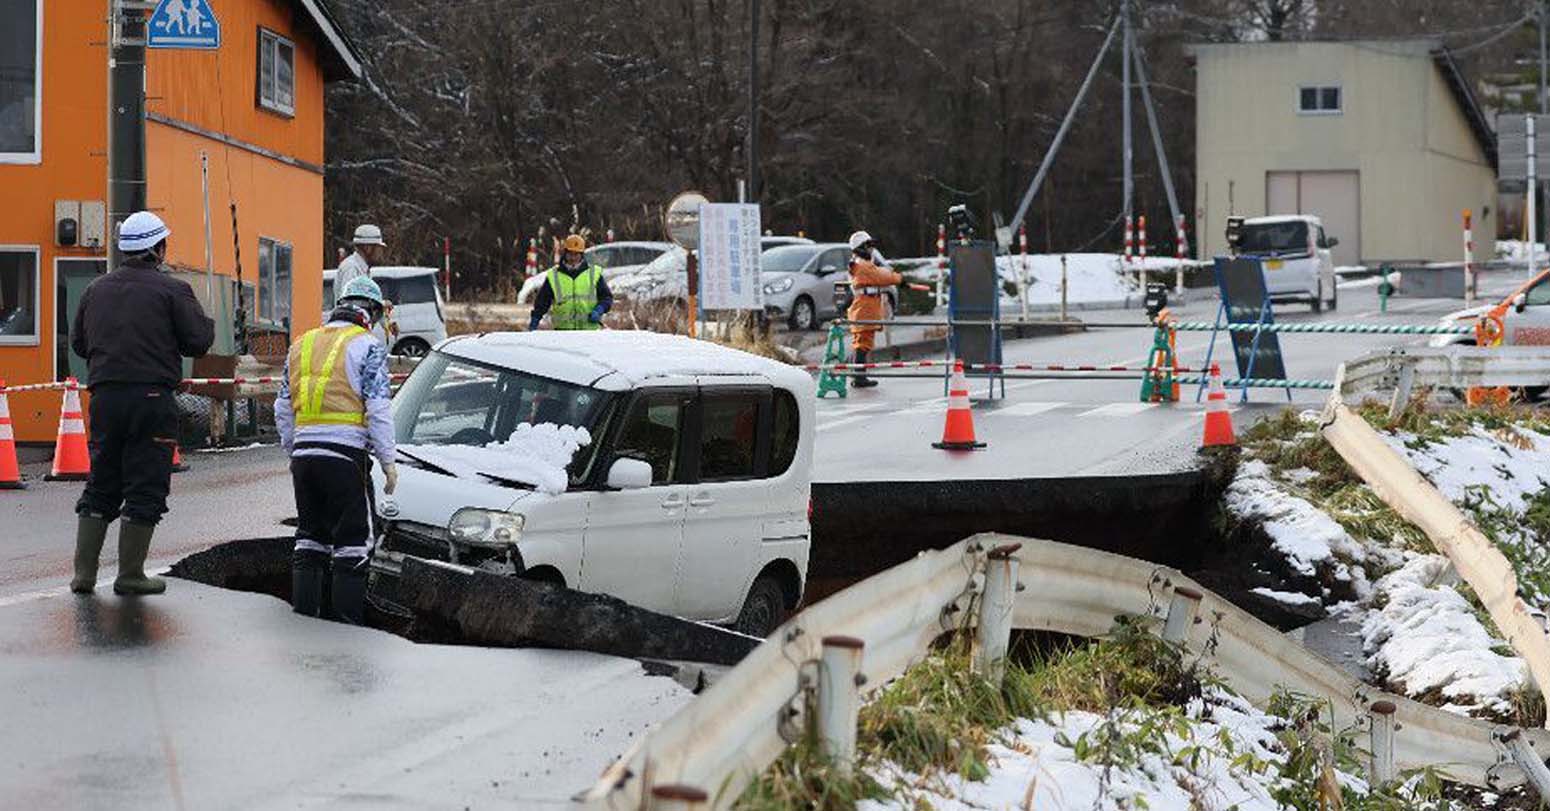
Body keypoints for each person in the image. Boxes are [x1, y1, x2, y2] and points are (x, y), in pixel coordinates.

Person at [69, 211, 215, 595]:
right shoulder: (172, 291)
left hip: (104, 398)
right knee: (146, 483)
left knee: (102, 481)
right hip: (152, 399)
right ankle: (130, 574)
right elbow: (198, 341)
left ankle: (83, 576)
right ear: (157, 249)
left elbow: (80, 344)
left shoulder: (95, 290)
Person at [274, 276, 398, 623]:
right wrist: (388, 461)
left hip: (304, 455)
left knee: (311, 536)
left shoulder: (303, 343)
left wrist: (294, 449)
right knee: (354, 541)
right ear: (369, 312)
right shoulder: (367, 345)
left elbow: (283, 408)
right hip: (345, 455)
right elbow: (378, 408)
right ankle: (346, 628)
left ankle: (305, 617)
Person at [844, 230, 902, 388]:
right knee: (863, 343)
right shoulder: (863, 266)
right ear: (861, 247)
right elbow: (881, 276)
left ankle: (856, 374)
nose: (871, 249)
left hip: (863, 307)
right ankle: (859, 377)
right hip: (865, 308)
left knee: (860, 343)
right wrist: (898, 278)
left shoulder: (859, 263)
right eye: (868, 246)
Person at [528, 234, 613, 331]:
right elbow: (542, 302)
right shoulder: (554, 276)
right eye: (570, 254)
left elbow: (606, 297)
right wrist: (535, 319)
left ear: (582, 255)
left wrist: (599, 310)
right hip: (562, 333)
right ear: (565, 254)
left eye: (576, 254)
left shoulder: (594, 274)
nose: (573, 258)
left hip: (589, 333)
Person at [334, 224, 385, 307]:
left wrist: (381, 304)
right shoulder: (351, 268)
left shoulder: (362, 268)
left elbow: (363, 299)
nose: (380, 252)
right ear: (367, 247)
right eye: (378, 247)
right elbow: (349, 303)